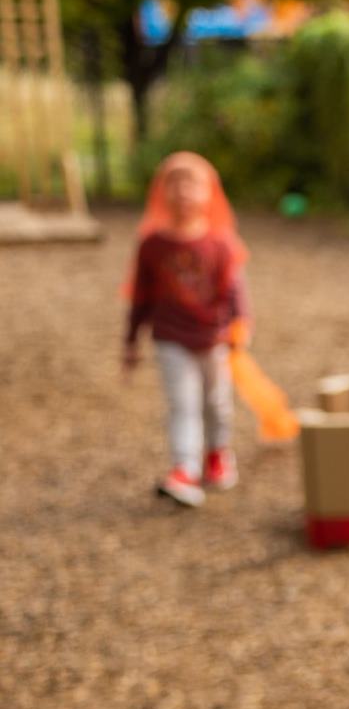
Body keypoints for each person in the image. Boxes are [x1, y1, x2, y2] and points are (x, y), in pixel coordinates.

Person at [122, 151, 252, 507]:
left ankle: (217, 454)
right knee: (183, 404)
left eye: (192, 183)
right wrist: (131, 341)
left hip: (213, 339)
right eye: (174, 183)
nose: (183, 191)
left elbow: (235, 288)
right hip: (170, 340)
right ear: (161, 192)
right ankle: (184, 468)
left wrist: (240, 325)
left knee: (217, 403)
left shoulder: (221, 242)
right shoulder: (152, 245)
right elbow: (141, 296)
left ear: (210, 192)